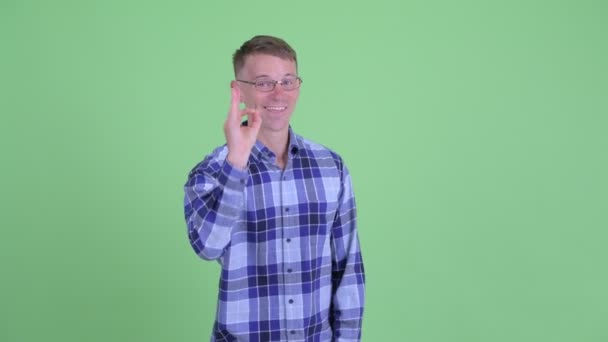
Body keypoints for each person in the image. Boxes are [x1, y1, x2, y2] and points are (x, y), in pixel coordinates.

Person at [183, 35, 365, 342]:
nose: (278, 93)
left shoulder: (331, 167)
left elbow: (348, 268)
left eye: (287, 81)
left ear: (298, 87)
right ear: (239, 90)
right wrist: (237, 162)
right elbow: (207, 246)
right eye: (264, 82)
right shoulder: (212, 171)